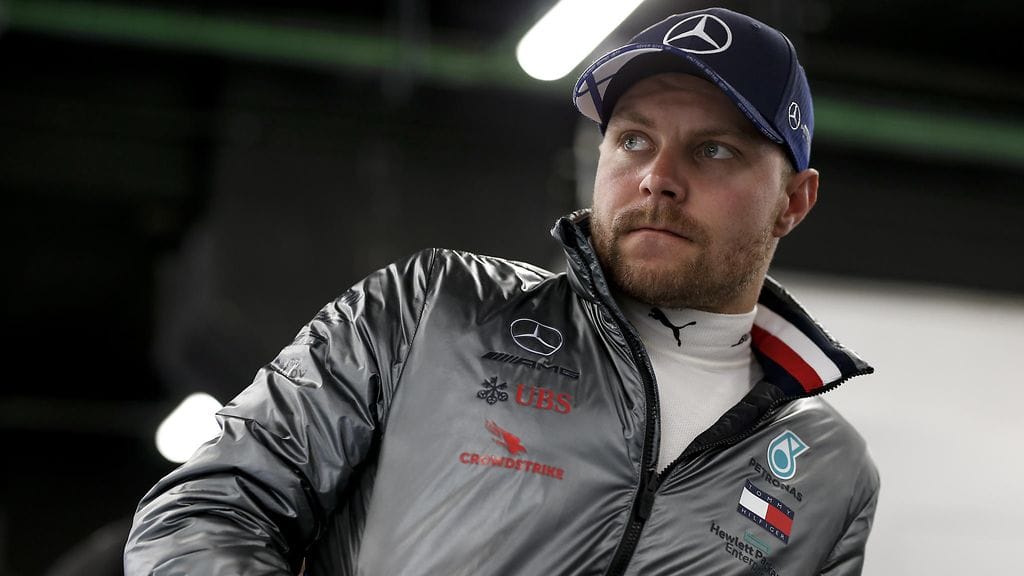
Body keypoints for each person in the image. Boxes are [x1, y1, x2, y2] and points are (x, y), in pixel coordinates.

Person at [125, 7, 878, 575]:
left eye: (713, 150)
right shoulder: (432, 307)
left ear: (793, 202)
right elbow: (206, 510)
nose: (657, 178)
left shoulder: (828, 471)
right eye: (633, 140)